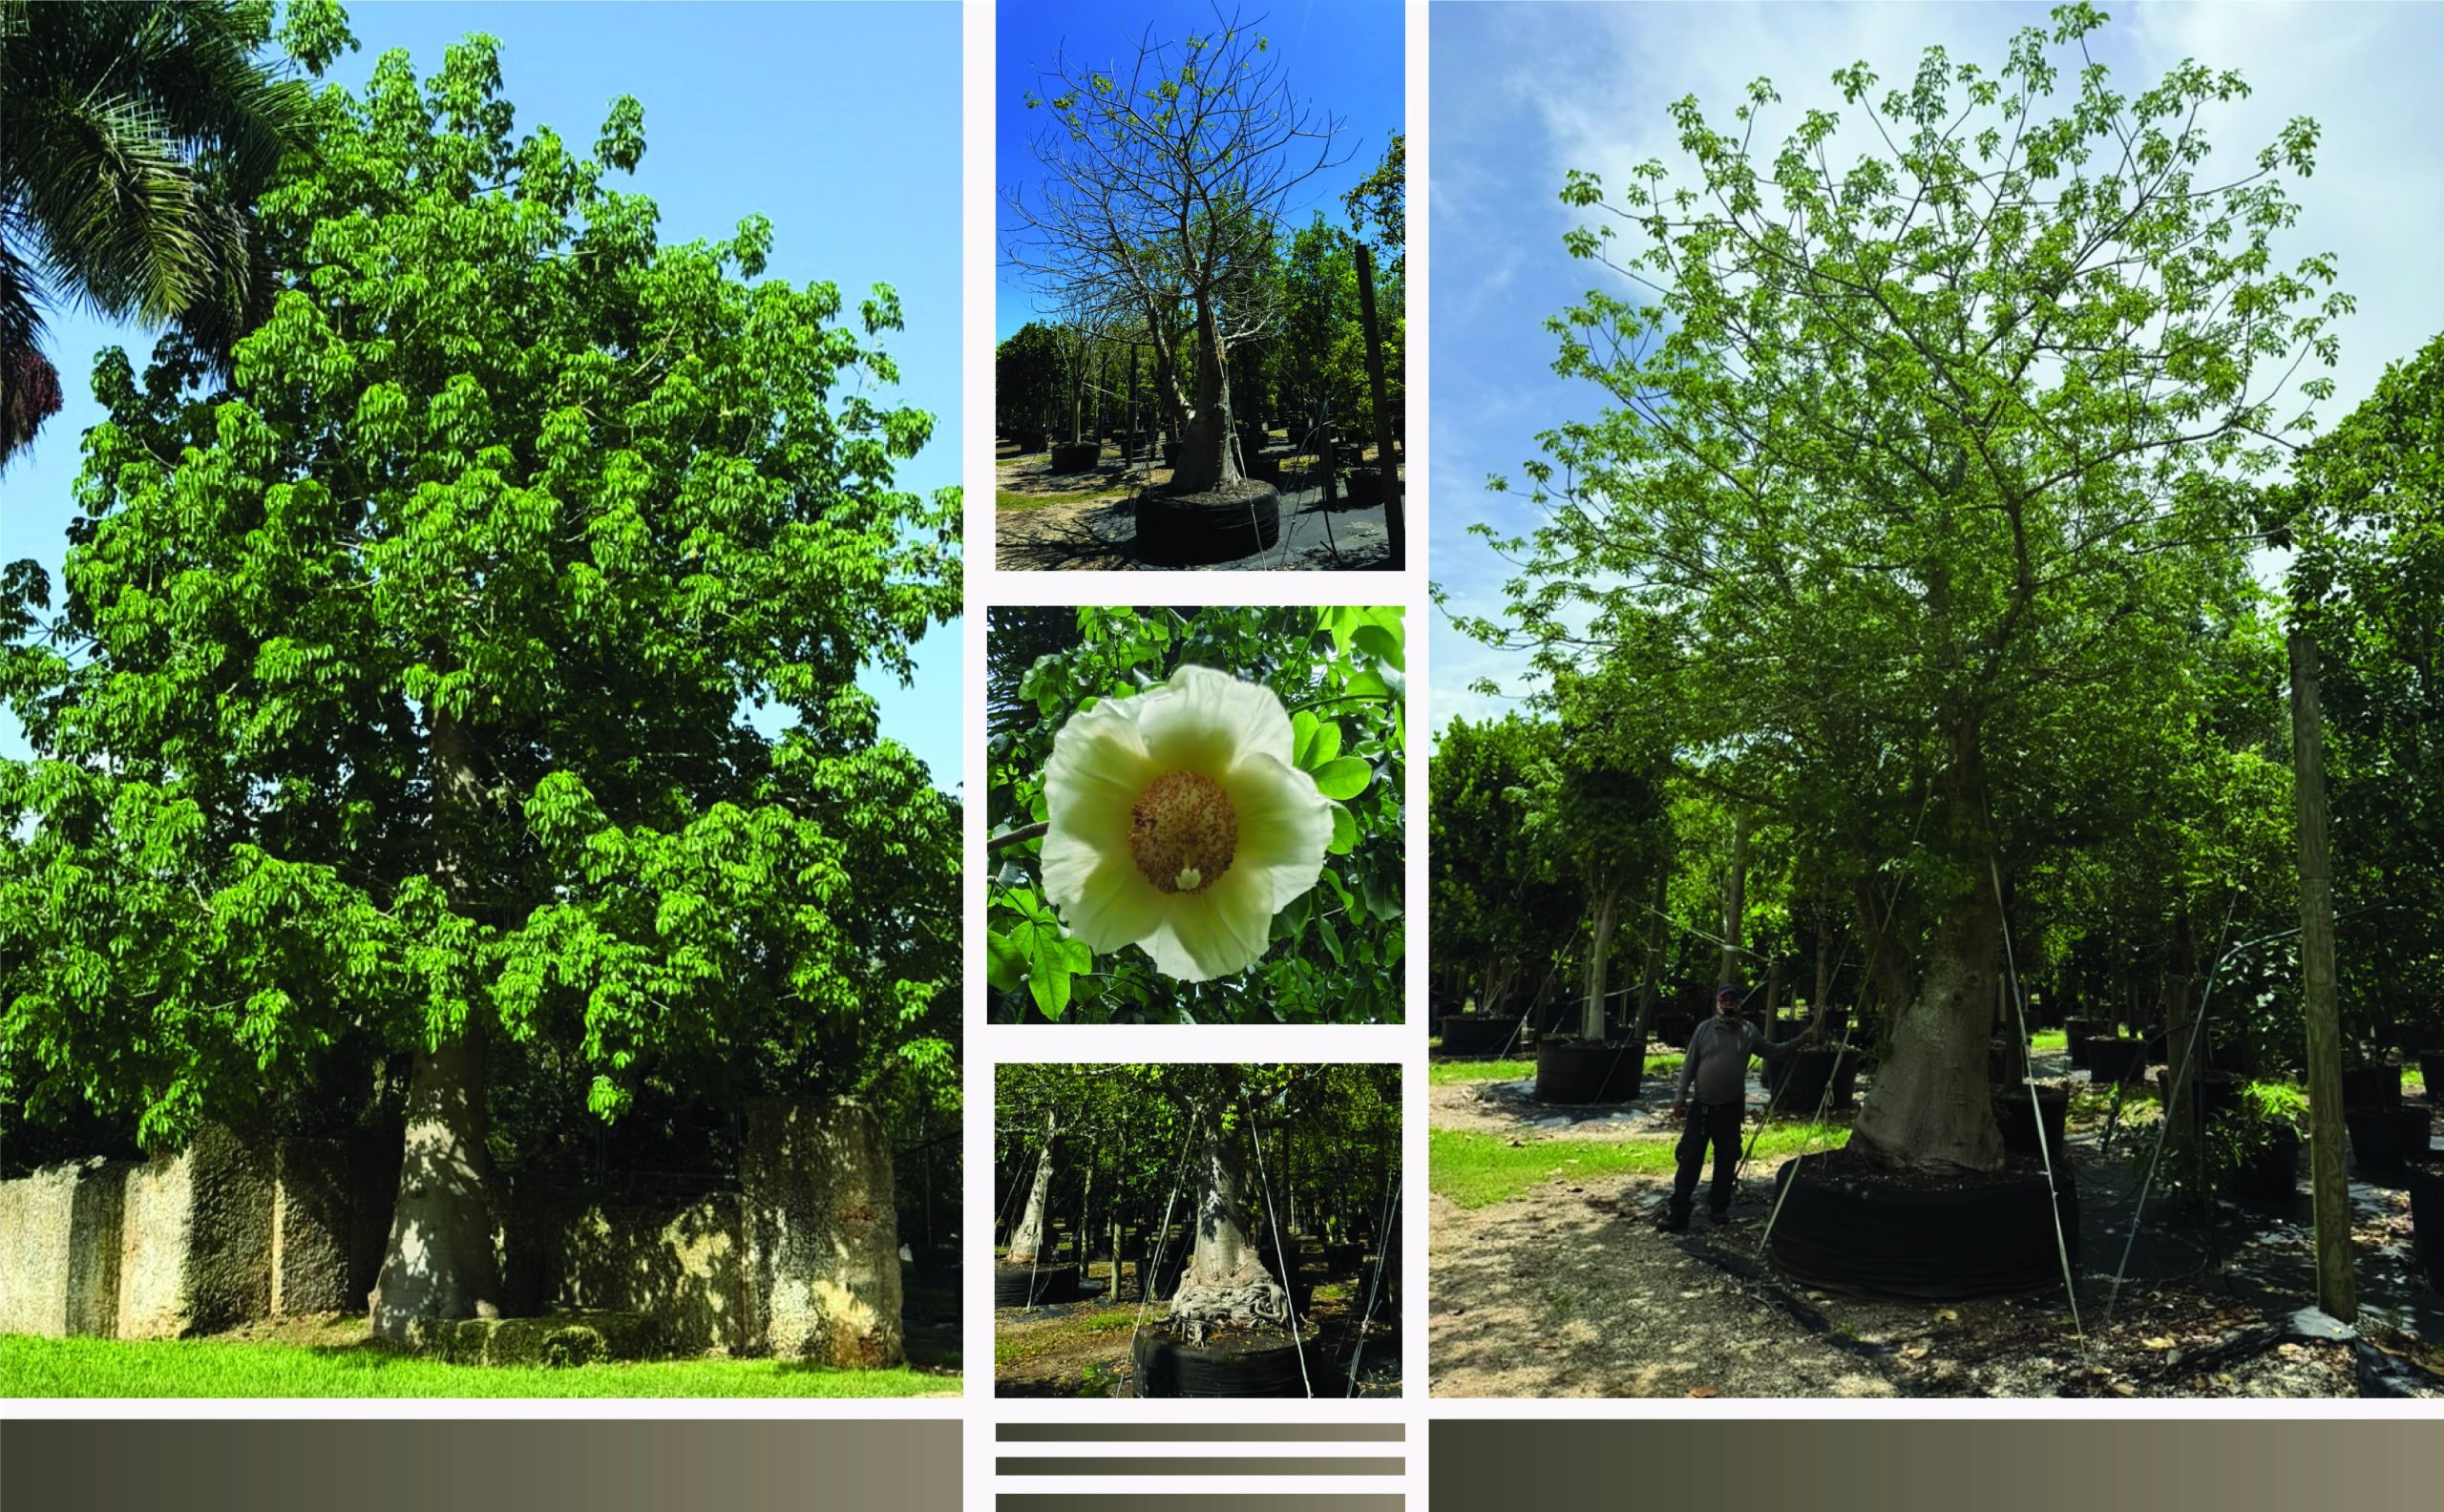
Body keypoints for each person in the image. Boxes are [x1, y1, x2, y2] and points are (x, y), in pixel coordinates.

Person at [1657, 983, 1821, 1232]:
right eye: (1724, 999)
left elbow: (1771, 1052)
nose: (1728, 1003)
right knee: (1690, 1159)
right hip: (1702, 1107)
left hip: (1731, 1108)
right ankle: (1678, 1211)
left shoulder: (1748, 1031)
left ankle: (1718, 1208)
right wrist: (1680, 1097)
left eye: (1733, 999)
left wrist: (1797, 1042)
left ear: (1739, 1003)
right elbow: (1689, 1065)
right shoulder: (1704, 1030)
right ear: (1717, 1002)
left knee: (1726, 1158)